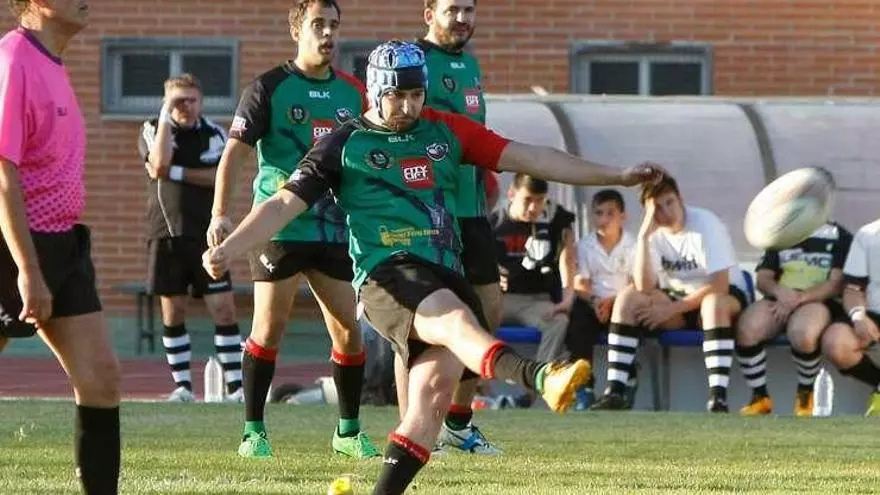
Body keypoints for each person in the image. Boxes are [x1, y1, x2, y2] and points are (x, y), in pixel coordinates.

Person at [203, 40, 663, 495]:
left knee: (428, 405)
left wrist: (618, 175)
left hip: (444, 271)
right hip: (387, 275)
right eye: (396, 95)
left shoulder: (446, 130)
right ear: (374, 91)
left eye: (416, 94)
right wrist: (231, 246)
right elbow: (282, 204)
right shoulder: (343, 144)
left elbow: (531, 156)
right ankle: (540, 375)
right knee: (457, 320)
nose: (408, 106)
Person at [207, 0, 377, 459]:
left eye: (334, 25)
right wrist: (220, 214)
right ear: (297, 30)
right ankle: (254, 433)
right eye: (318, 24)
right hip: (279, 226)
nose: (328, 33)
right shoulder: (268, 87)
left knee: (349, 331)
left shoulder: (354, 92)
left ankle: (347, 433)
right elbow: (234, 155)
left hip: (333, 229)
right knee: (269, 328)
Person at [0, 1, 120, 492]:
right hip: (12, 247)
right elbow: (2, 174)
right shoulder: (13, 59)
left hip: (64, 244)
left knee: (101, 379)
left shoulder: (52, 62)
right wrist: (27, 270)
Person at [416, 0, 503, 455]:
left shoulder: (470, 65)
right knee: (430, 320)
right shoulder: (412, 60)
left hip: (472, 212)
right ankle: (416, 425)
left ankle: (458, 423)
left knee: (487, 309)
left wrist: (486, 179)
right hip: (430, 212)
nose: (463, 18)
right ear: (428, 13)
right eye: (453, 9)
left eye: (469, 9)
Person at [591, 174, 748, 413]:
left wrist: (669, 310)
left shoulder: (706, 223)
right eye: (658, 207)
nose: (666, 212)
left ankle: (718, 398)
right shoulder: (652, 232)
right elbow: (644, 287)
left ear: (680, 198)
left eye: (670, 202)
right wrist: (644, 237)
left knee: (712, 304)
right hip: (677, 299)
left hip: (722, 299)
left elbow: (720, 285)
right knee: (628, 298)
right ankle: (615, 391)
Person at [138, 74, 243, 403]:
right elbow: (159, 164)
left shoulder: (215, 134)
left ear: (201, 101)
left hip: (206, 238)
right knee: (173, 313)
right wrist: (166, 116)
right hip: (166, 236)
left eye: (191, 100)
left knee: (224, 309)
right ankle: (183, 387)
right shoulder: (153, 128)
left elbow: (220, 177)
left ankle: (236, 389)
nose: (185, 106)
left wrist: (178, 173)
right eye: (177, 100)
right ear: (166, 102)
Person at [736, 218, 852, 416]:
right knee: (747, 328)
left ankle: (805, 395)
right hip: (780, 299)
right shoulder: (781, 233)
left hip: (817, 301)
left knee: (803, 333)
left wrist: (799, 298)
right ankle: (760, 397)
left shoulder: (840, 236)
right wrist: (779, 292)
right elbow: (763, 278)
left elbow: (835, 284)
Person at [490, 174, 576, 409]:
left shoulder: (554, 218)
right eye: (527, 200)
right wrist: (491, 276)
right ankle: (480, 393)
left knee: (559, 321)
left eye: (539, 201)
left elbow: (568, 254)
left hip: (535, 300)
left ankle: (532, 391)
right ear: (511, 194)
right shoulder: (494, 222)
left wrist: (568, 296)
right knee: (471, 321)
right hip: (500, 299)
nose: (533, 207)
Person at [567, 189, 636, 410]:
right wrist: (596, 301)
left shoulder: (634, 245)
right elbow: (581, 284)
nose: (604, 219)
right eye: (598, 213)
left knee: (627, 317)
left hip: (622, 304)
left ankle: (625, 383)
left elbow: (637, 284)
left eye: (610, 213)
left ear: (623, 216)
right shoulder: (584, 245)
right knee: (578, 321)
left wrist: (613, 301)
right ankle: (584, 387)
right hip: (593, 304)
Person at [821, 218, 880, 416]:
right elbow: (853, 289)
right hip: (874, 312)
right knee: (836, 343)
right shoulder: (868, 234)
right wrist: (858, 315)